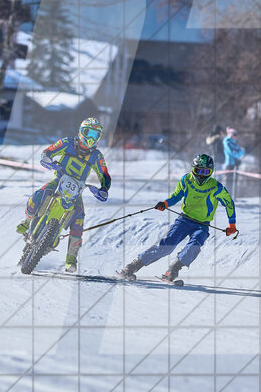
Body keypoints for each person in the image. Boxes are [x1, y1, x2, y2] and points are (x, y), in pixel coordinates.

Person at [118, 153, 236, 283]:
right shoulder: (186, 180)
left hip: (202, 224)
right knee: (166, 246)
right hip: (184, 220)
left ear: (211, 172)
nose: (202, 175)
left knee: (195, 245)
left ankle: (173, 269)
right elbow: (176, 196)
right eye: (199, 171)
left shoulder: (216, 187)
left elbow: (229, 204)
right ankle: (132, 267)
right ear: (193, 169)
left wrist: (232, 225)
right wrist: (165, 203)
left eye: (205, 171)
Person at [17, 117, 110, 273]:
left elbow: (105, 174)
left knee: (79, 219)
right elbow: (48, 151)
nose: (92, 138)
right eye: (89, 133)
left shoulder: (96, 156)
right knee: (37, 195)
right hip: (59, 179)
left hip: (78, 189)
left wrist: (104, 189)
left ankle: (71, 259)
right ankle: (27, 221)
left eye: (96, 135)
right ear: (82, 132)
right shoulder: (67, 143)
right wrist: (47, 159)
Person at [223, 128, 245, 196]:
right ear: (231, 135)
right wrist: (238, 156)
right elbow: (231, 152)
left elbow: (242, 152)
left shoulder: (234, 142)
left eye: (236, 134)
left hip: (235, 163)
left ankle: (233, 196)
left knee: (234, 181)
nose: (236, 136)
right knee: (228, 181)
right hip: (229, 163)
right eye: (234, 134)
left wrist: (239, 156)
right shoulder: (227, 141)